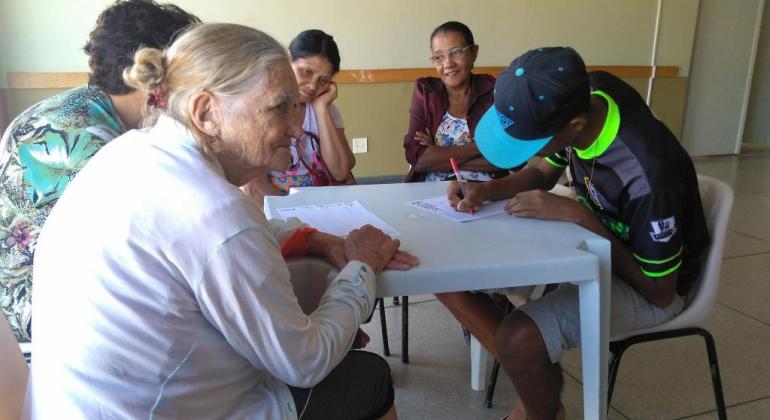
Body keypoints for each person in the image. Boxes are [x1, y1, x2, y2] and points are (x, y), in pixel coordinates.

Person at [28, 23, 418, 419]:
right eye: (280, 106)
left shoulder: (127, 153)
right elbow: (306, 363)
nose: (297, 127)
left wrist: (314, 240)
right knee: (367, 374)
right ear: (206, 112)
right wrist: (362, 268)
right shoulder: (217, 214)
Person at [446, 47, 710, 420]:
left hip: (652, 284)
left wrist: (581, 217)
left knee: (518, 338)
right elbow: (541, 173)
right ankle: (539, 393)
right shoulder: (587, 95)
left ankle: (544, 409)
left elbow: (660, 291)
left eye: (531, 141)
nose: (527, 152)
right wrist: (484, 189)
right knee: (458, 275)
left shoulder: (648, 176)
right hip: (594, 248)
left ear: (574, 127)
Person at [0, 0, 199, 342]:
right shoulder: (73, 136)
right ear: (151, 73)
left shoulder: (96, 113)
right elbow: (141, 249)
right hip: (40, 321)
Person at [243, 29, 355, 204]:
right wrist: (292, 210)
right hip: (273, 204)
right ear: (287, 59)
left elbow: (340, 171)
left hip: (321, 204)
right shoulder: (260, 106)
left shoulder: (327, 109)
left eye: (323, 80)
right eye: (306, 72)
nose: (312, 86)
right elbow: (253, 184)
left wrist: (321, 109)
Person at [403, 21, 506, 183]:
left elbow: (509, 157)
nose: (448, 64)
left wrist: (439, 154)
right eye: (438, 57)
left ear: (474, 52)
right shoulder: (426, 90)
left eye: (456, 53)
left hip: (486, 191)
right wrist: (482, 146)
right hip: (432, 193)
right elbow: (418, 158)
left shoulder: (494, 90)